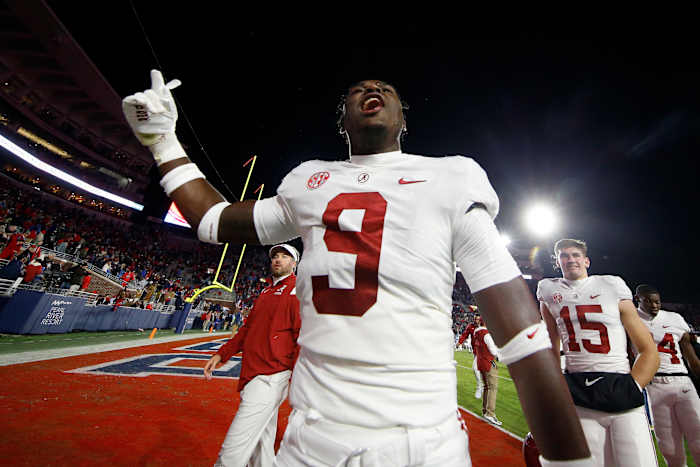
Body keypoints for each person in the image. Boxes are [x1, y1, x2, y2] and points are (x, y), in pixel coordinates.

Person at [123, 71, 591, 465]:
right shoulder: (308, 180)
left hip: (419, 439)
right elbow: (212, 220)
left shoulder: (451, 176)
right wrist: (162, 139)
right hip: (309, 438)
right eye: (357, 89)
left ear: (404, 118)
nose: (373, 90)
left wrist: (568, 459)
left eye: (386, 89)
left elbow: (523, 336)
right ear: (341, 120)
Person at [537, 238, 660, 467]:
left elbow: (648, 349)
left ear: (587, 260)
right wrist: (555, 387)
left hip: (619, 384)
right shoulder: (548, 289)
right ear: (557, 262)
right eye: (564, 255)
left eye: (575, 255)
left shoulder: (611, 285)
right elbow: (550, 346)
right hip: (577, 389)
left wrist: (633, 386)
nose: (570, 259)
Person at [203, 244, 301, 467]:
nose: (278, 260)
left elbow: (301, 336)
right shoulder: (266, 291)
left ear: (294, 264)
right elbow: (247, 330)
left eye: (285, 257)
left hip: (271, 375)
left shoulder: (297, 290)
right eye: (275, 256)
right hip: (254, 371)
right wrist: (222, 354)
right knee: (262, 446)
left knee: (233, 450)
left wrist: (296, 378)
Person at [635, 284, 700, 467]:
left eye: (657, 301)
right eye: (648, 301)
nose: (654, 305)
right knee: (670, 448)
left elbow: (690, 356)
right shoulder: (630, 317)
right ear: (637, 299)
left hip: (682, 381)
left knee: (698, 437)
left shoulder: (675, 318)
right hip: (654, 383)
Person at [472, 315, 502, 425]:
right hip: (488, 362)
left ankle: (485, 410)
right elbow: (493, 351)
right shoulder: (486, 334)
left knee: (486, 387)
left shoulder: (476, 332)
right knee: (493, 388)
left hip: (480, 361)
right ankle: (490, 413)